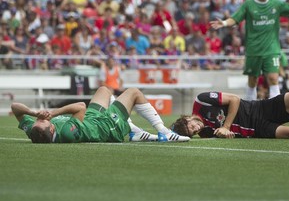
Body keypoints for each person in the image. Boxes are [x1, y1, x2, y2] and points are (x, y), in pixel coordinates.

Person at [210, 0, 289, 101]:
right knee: (252, 80)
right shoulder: (249, 5)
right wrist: (224, 23)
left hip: (271, 49)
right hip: (253, 49)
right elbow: (235, 18)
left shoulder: (277, 4)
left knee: (273, 78)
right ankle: (250, 110)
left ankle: (275, 112)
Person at [12, 86, 190, 143]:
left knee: (104, 90)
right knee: (134, 92)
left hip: (91, 120)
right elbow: (81, 106)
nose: (41, 119)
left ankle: (134, 130)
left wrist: (32, 112)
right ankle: (163, 132)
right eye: (43, 120)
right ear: (51, 129)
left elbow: (14, 107)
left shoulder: (33, 130)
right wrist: (52, 112)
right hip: (106, 127)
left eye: (38, 120)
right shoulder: (66, 132)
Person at [170, 90, 289, 139]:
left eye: (192, 126)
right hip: (258, 129)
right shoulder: (204, 134)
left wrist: (226, 126)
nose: (197, 129)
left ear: (187, 117)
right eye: (193, 132)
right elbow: (228, 136)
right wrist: (228, 135)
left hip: (259, 108)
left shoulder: (201, 100)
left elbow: (235, 100)